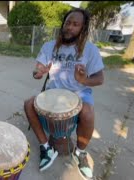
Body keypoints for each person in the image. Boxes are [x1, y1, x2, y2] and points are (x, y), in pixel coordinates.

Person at [24, 8, 104, 179]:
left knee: (88, 113)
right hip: (54, 91)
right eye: (68, 23)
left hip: (80, 92)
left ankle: (80, 153)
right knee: (28, 104)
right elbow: (36, 71)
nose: (70, 27)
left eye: (75, 24)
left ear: (82, 29)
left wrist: (83, 80)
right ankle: (46, 148)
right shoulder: (49, 46)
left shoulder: (90, 50)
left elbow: (100, 79)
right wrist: (38, 72)